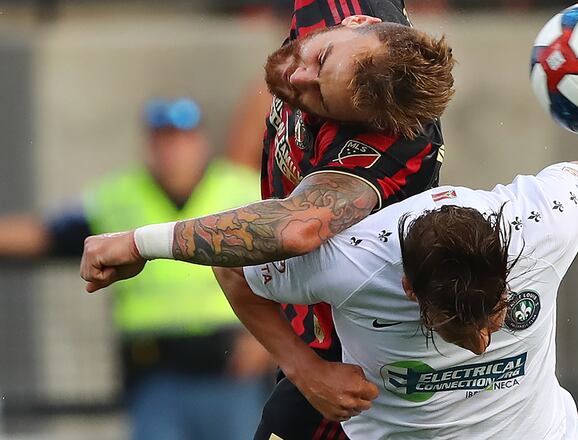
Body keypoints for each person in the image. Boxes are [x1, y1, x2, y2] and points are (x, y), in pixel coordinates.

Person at [80, 2, 456, 439]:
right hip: (311, 364)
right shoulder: (341, 8)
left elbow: (292, 229)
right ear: (357, 21)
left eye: (320, 98)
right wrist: (301, 368)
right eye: (321, 57)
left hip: (367, 376)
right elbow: (235, 258)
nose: (299, 79)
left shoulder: (395, 144)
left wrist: (139, 243)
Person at [101, 161, 578, 438]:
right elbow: (232, 271)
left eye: (494, 316)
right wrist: (304, 369)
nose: (484, 342)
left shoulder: (535, 225)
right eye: (457, 330)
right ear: (409, 289)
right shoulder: (353, 261)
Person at [0, 98, 272, 440]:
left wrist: (268, 343)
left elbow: (293, 267)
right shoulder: (119, 194)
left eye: (181, 138)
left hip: (231, 371)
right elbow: (46, 234)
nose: (172, 150)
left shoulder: (241, 189)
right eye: (162, 139)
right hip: (155, 373)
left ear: (201, 141)